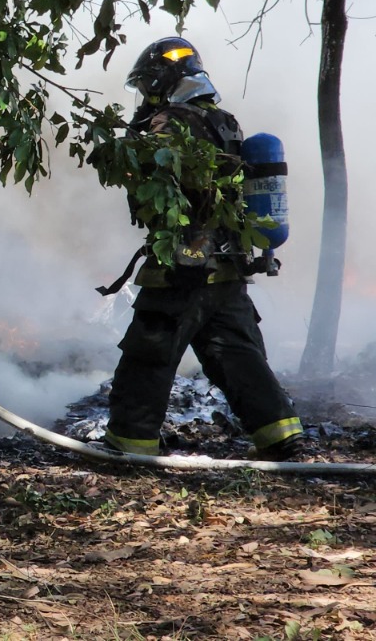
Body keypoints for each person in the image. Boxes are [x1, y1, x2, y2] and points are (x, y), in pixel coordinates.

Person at [98, 37, 305, 460]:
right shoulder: (225, 122)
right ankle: (280, 434)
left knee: (148, 354)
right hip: (228, 264)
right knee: (238, 355)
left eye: (147, 87)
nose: (145, 98)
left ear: (162, 81)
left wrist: (130, 147)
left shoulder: (170, 122)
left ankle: (130, 443)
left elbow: (156, 188)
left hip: (184, 262)